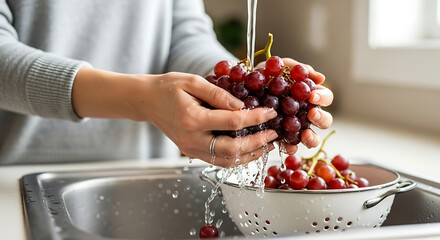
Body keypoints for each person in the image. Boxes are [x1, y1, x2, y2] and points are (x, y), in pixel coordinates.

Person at [0, 0, 333, 167]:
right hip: (16, 174)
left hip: (146, 169)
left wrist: (241, 84)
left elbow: (185, 35)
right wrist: (140, 99)